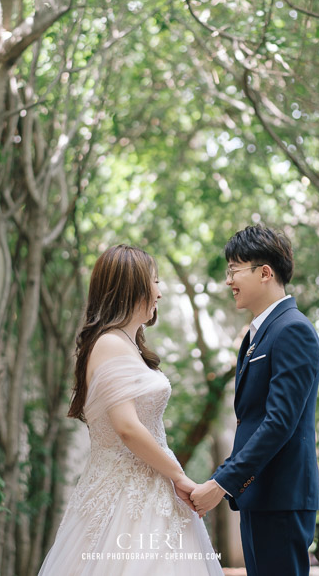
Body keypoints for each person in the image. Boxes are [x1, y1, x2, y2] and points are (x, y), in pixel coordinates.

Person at [38, 244, 223, 576]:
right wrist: (179, 475)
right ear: (131, 287)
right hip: (124, 494)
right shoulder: (109, 343)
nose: (160, 293)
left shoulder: (128, 345)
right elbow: (127, 427)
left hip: (150, 485)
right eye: (155, 281)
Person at [190, 225, 319, 576]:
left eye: (234, 270)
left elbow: (279, 422)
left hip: (281, 497)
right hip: (259, 495)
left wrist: (221, 482)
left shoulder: (293, 329)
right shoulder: (258, 333)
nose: (228, 280)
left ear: (265, 272)